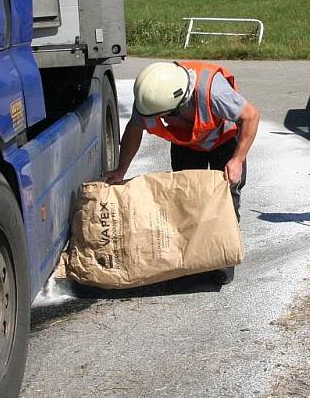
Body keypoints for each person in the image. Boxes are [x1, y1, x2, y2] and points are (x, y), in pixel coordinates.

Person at [105, 60, 260, 282]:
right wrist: (121, 170)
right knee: (186, 199)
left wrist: (237, 159)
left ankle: (221, 262)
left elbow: (251, 116)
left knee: (225, 200)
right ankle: (191, 261)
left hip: (225, 140)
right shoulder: (151, 96)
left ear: (180, 102)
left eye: (165, 115)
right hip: (187, 144)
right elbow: (134, 129)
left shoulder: (213, 92)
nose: (161, 120)